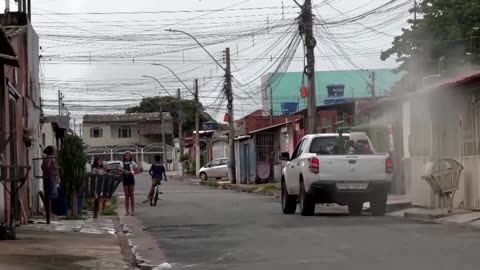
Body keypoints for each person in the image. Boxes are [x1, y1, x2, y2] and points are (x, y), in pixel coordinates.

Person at [41, 145, 59, 218]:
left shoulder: (47, 158)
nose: (56, 152)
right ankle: (49, 213)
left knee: (49, 195)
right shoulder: (50, 158)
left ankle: (49, 212)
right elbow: (47, 167)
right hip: (50, 178)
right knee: (49, 195)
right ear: (52, 152)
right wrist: (52, 171)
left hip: (48, 177)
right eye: (55, 150)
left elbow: (43, 167)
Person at [121, 151, 138, 216]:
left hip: (131, 179)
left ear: (130, 156)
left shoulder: (133, 163)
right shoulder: (122, 163)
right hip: (125, 180)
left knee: (131, 195)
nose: (127, 156)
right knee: (126, 195)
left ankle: (132, 210)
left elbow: (137, 171)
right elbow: (119, 172)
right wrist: (123, 172)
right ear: (124, 156)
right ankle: (127, 211)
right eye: (126, 155)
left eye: (129, 155)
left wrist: (131, 172)